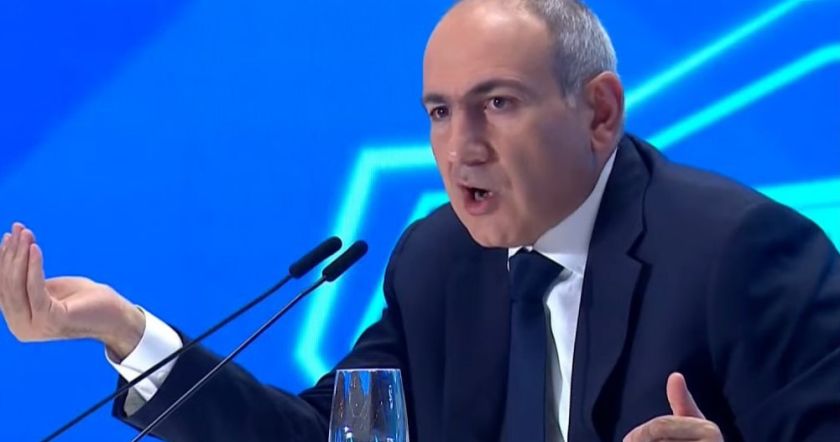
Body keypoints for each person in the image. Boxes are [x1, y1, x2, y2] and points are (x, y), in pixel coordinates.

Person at [1, 0, 839, 440]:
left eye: (497, 104)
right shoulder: (439, 259)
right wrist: (126, 331)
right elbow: (328, 439)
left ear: (598, 112)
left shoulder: (742, 254)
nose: (460, 146)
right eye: (440, 112)